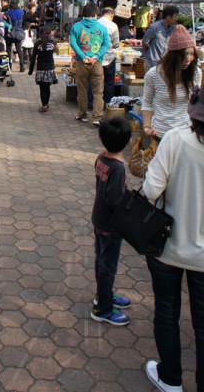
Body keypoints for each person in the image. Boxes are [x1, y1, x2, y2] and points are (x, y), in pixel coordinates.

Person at [142, 81, 204, 392]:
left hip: (167, 245)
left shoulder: (177, 140)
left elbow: (151, 190)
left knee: (167, 311)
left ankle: (170, 378)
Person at [90, 116, 132, 326]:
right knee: (108, 265)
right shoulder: (118, 168)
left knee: (101, 261)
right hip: (110, 226)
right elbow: (116, 200)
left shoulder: (101, 158)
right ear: (128, 143)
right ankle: (104, 308)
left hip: (99, 219)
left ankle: (103, 294)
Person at [141, 24, 201, 142]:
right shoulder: (153, 74)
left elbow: (195, 104)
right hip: (161, 134)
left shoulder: (195, 73)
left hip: (187, 134)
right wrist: (147, 126)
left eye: (191, 54)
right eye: (183, 55)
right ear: (172, 56)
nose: (187, 59)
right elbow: (147, 103)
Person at [69, 2, 110, 126]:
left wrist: (82, 56)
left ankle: (83, 114)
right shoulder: (102, 27)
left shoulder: (76, 26)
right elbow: (106, 44)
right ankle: (97, 117)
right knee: (98, 91)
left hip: (82, 62)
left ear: (83, 13)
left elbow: (72, 42)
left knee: (82, 90)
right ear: (96, 13)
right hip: (97, 63)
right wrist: (96, 56)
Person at [28, 26, 57, 113]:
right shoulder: (53, 43)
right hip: (50, 68)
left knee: (42, 88)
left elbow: (33, 59)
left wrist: (30, 71)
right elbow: (56, 51)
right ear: (50, 35)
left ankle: (44, 105)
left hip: (41, 69)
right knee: (47, 87)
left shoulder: (37, 44)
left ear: (40, 34)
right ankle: (46, 104)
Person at [142, 5, 179, 72]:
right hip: (152, 63)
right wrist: (149, 54)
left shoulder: (172, 29)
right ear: (168, 17)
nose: (176, 19)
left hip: (164, 64)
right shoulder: (155, 27)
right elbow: (145, 42)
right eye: (175, 16)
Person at [97, 7, 120, 105]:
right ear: (111, 15)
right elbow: (116, 44)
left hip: (97, 57)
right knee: (109, 82)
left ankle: (93, 103)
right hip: (109, 58)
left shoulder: (95, 23)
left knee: (95, 81)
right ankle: (108, 103)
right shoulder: (113, 25)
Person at [4, 0, 25, 72]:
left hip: (10, 33)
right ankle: (22, 66)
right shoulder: (22, 12)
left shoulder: (8, 12)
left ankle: (8, 66)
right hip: (18, 32)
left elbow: (4, 18)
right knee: (19, 50)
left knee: (8, 51)